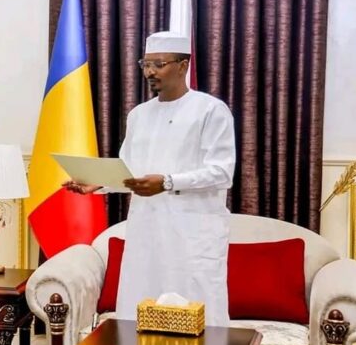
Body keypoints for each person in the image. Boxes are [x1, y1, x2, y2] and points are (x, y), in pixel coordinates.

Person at [64, 31, 236, 326]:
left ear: (183, 66)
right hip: (146, 231)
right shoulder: (139, 115)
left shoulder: (211, 110)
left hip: (192, 233)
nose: (149, 72)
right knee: (139, 309)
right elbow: (129, 170)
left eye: (159, 64)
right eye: (146, 64)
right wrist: (99, 185)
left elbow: (221, 172)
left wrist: (167, 183)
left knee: (199, 314)